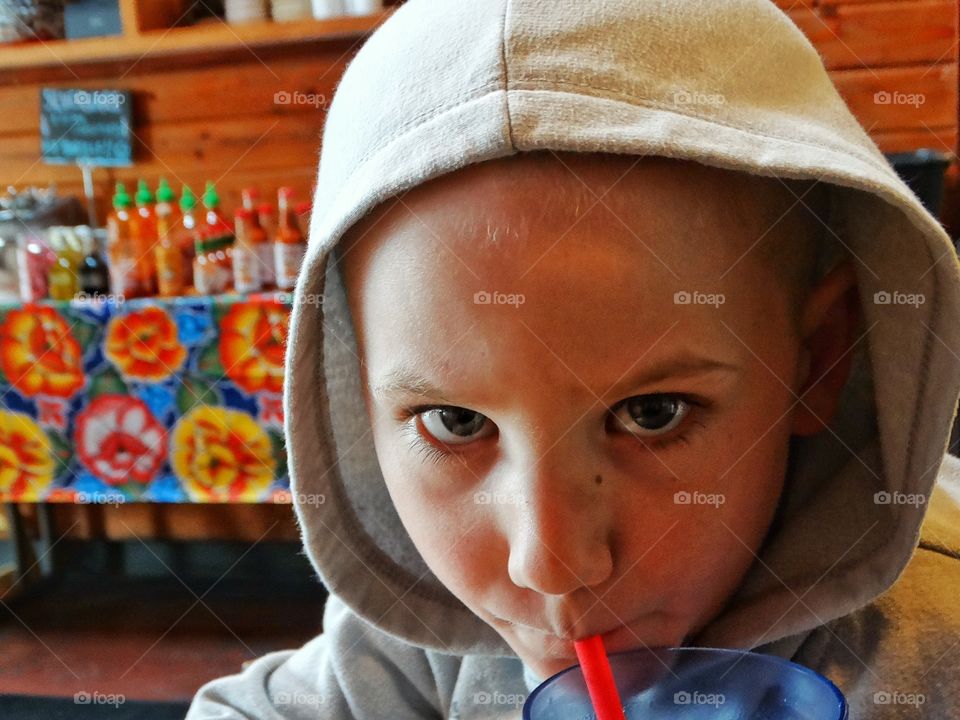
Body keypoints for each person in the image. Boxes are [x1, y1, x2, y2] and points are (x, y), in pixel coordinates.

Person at [187, 0, 960, 717]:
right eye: (455, 422)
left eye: (651, 414)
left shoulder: (935, 648)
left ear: (817, 361)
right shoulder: (422, 636)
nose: (551, 565)